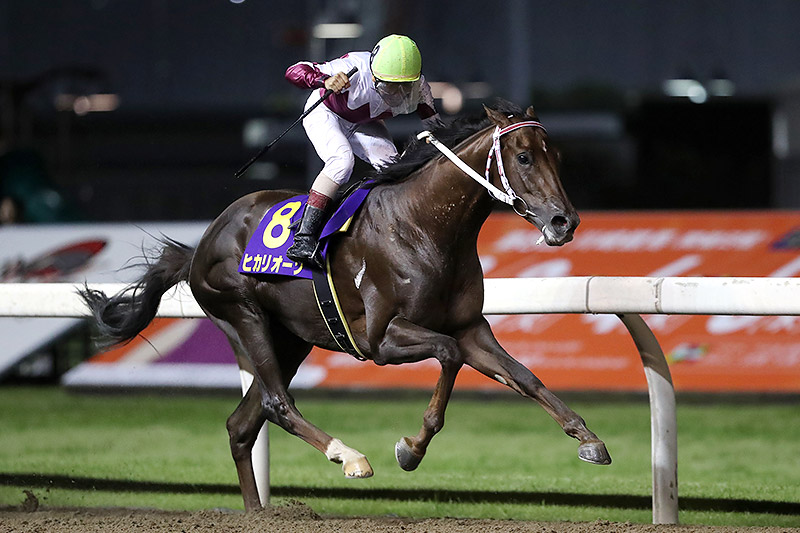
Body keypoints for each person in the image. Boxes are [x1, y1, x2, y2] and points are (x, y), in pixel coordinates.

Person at [284, 34, 442, 268]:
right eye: (389, 85)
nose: (397, 93)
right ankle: (304, 238)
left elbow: (435, 127)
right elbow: (294, 70)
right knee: (342, 161)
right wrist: (323, 81)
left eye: (404, 86)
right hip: (327, 114)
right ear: (375, 74)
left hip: (363, 120)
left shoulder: (419, 87)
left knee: (394, 168)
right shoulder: (354, 65)